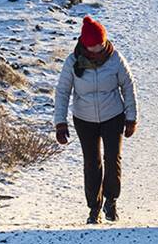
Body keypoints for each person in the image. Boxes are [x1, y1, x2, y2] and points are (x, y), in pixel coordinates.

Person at [53, 16, 138, 224]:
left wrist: (131, 118)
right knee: (92, 163)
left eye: (100, 45)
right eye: (93, 47)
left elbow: (128, 86)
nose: (98, 50)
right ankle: (94, 208)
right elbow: (63, 91)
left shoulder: (115, 58)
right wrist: (60, 123)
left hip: (113, 116)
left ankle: (111, 201)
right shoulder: (73, 62)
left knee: (112, 158)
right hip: (84, 118)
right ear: (85, 44)